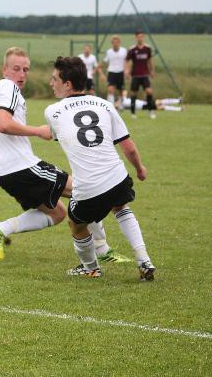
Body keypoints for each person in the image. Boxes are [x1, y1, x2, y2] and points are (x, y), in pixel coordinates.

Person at [0, 47, 126, 263]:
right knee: (86, 189)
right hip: (24, 168)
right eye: (16, 68)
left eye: (26, 69)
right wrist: (38, 131)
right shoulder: (9, 88)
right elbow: (4, 125)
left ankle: (0, 229)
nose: (22, 74)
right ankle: (102, 251)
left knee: (57, 213)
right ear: (5, 69)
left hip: (7, 174)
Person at [45, 56, 156, 281]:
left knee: (76, 224)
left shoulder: (52, 111)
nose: (51, 83)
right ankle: (144, 259)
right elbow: (128, 146)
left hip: (88, 188)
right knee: (121, 206)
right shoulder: (104, 104)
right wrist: (140, 168)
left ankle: (91, 268)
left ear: (68, 84)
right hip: (118, 177)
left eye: (55, 79)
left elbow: (64, 138)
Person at [125, 31, 156, 119]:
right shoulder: (132, 49)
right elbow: (127, 60)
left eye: (141, 36)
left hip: (145, 74)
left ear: (143, 37)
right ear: (136, 38)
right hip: (135, 75)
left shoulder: (147, 48)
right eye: (138, 37)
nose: (140, 38)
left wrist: (152, 71)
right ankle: (133, 113)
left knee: (149, 91)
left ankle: (151, 111)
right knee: (134, 93)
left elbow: (150, 60)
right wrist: (127, 71)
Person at [100, 35, 127, 108]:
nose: (115, 44)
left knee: (120, 90)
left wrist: (126, 70)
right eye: (114, 42)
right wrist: (101, 73)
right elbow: (104, 62)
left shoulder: (124, 51)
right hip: (111, 72)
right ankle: (111, 107)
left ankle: (120, 106)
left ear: (119, 42)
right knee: (110, 90)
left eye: (117, 42)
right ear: (112, 43)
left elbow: (126, 61)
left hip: (121, 72)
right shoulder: (109, 52)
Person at [118, 90, 182, 112]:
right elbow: (124, 92)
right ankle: (178, 102)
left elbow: (124, 92)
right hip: (143, 105)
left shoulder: (123, 101)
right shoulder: (123, 104)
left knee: (161, 106)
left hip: (144, 104)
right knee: (161, 104)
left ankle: (179, 106)